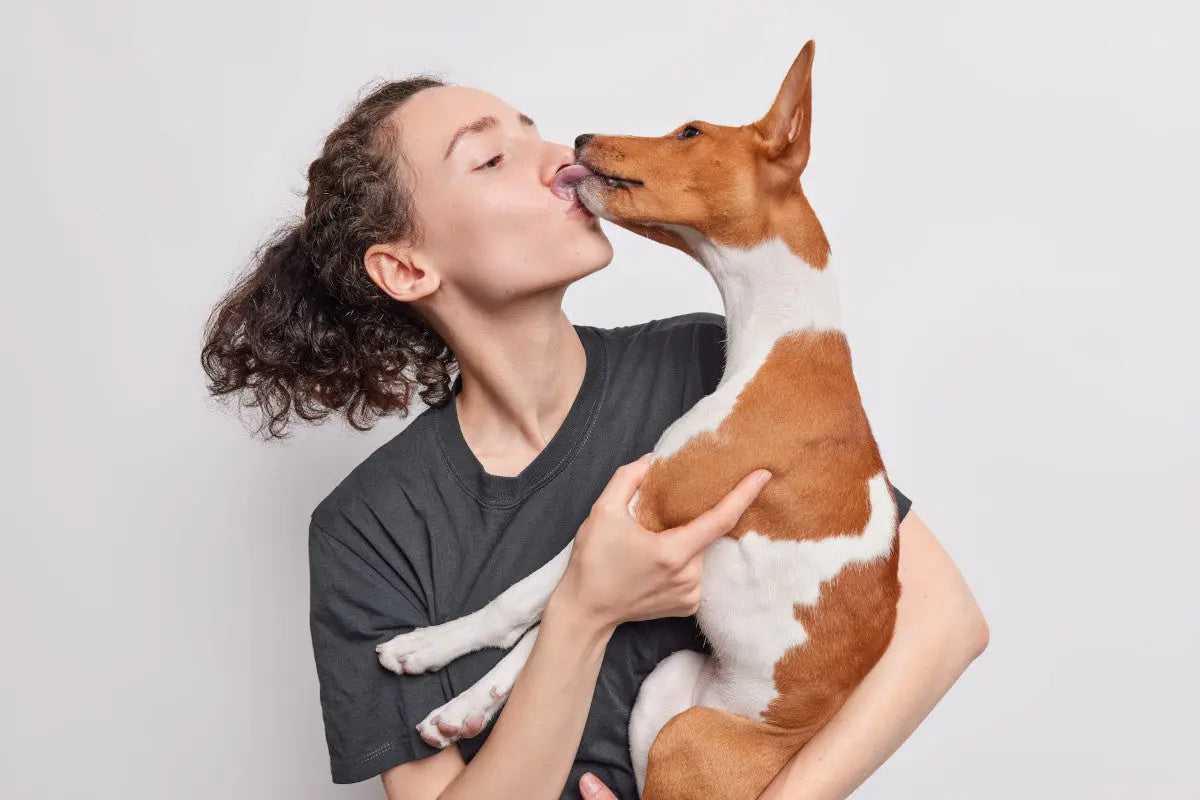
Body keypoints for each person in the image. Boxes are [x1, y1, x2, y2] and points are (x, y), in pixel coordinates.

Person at [201, 75, 989, 800]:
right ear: (407, 270)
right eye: (490, 158)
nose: (554, 159)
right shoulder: (368, 527)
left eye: (534, 129)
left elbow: (945, 623)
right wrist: (584, 608)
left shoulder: (706, 366)